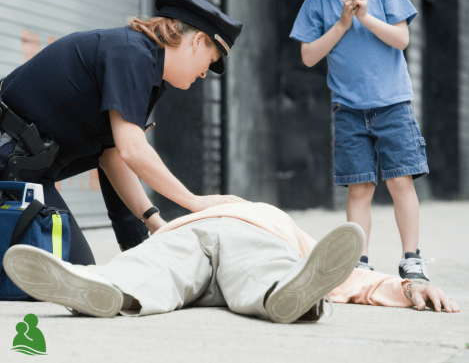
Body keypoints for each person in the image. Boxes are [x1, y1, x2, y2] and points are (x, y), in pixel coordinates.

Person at [0, 0, 246, 265]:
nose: (204, 73)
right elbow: (132, 149)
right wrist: (194, 202)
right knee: (74, 274)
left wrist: (153, 225)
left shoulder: (149, 68)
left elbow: (112, 156)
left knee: (78, 272)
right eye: (210, 61)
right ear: (198, 41)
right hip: (9, 167)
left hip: (25, 175)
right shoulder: (131, 54)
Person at [3, 202, 459, 324]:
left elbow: (347, 275)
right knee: (156, 266)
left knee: (266, 266)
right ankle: (101, 290)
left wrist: (403, 287)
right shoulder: (212, 214)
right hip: (190, 235)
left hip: (241, 237)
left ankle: (289, 295)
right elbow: (350, 280)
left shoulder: (276, 223)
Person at [290, 0, 432, 282]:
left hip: (393, 104)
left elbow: (402, 39)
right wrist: (342, 23)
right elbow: (309, 56)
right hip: (348, 109)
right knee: (359, 187)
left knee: (400, 182)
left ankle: (411, 258)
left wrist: (365, 17)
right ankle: (359, 262)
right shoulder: (318, 0)